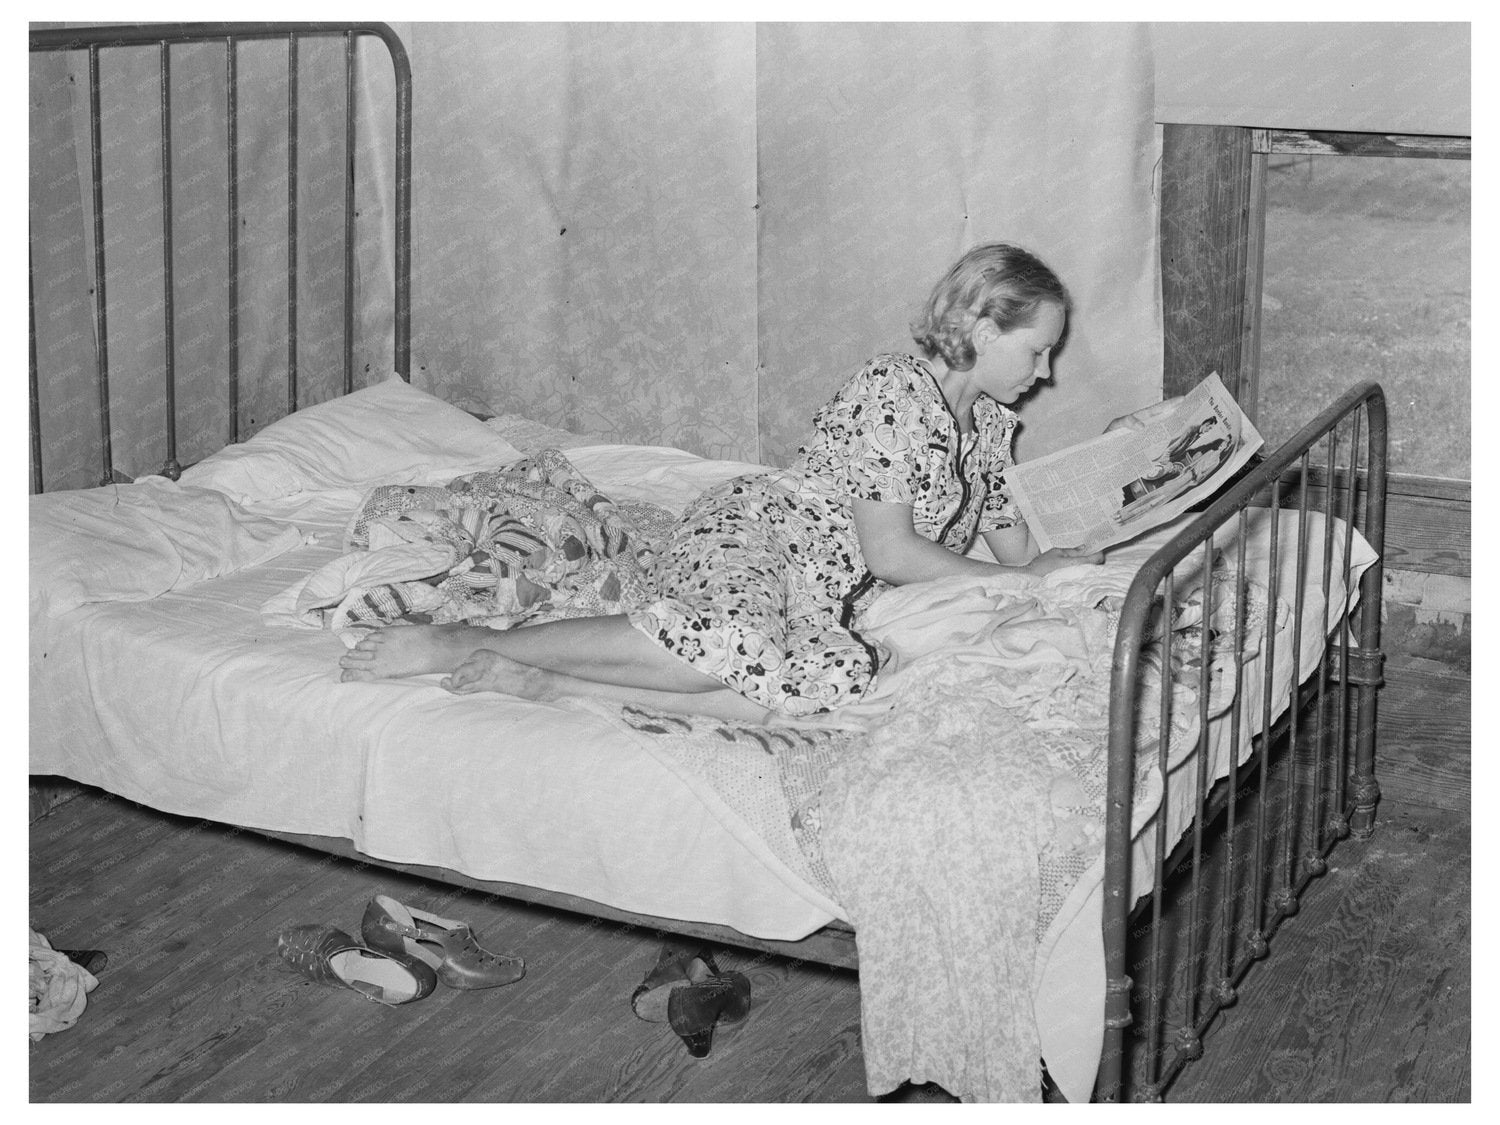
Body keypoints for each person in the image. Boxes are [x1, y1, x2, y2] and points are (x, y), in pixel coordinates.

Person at [339, 242, 1161, 722]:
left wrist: (1116, 499)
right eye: (1038, 351)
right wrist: (1024, 578)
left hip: (828, 594)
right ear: (982, 329)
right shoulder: (894, 390)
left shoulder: (986, 429)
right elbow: (894, 551)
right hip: (766, 533)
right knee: (731, 647)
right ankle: (462, 642)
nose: (1045, 372)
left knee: (826, 686)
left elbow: (1023, 548)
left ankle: (547, 682)